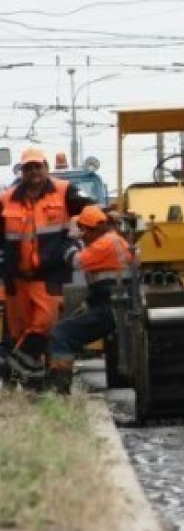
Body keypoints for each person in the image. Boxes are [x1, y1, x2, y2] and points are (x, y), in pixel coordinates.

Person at [0, 147, 90, 384]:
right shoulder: (6, 198)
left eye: (37, 166)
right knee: (19, 330)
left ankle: (14, 369)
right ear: (22, 171)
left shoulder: (64, 191)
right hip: (16, 278)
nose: (33, 172)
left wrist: (98, 223)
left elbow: (90, 210)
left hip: (48, 275)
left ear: (46, 168)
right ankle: (33, 384)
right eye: (28, 167)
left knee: (44, 324)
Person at [46, 204, 134, 393]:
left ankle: (60, 392)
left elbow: (76, 261)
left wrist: (68, 241)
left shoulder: (105, 243)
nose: (82, 237)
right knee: (66, 329)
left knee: (61, 334)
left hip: (111, 308)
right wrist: (88, 304)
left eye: (83, 231)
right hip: (113, 304)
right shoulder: (111, 240)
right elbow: (106, 282)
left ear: (92, 228)